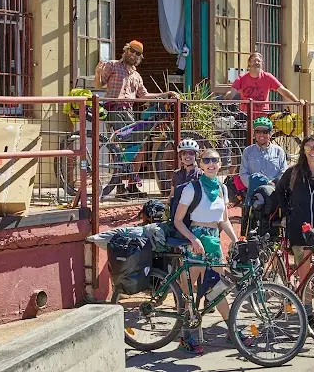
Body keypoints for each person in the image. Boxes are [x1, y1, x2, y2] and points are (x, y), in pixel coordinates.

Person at [172, 149, 241, 354]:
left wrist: (236, 241)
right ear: (200, 164)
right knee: (190, 291)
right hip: (195, 238)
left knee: (218, 290)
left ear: (220, 164)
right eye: (207, 160)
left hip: (213, 240)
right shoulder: (192, 188)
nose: (211, 164)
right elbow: (177, 220)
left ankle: (232, 331)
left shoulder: (221, 188)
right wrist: (193, 239)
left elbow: (224, 220)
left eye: (215, 160)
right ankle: (187, 336)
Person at [94, 40, 178, 198]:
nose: (133, 54)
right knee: (120, 146)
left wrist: (166, 94)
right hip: (113, 109)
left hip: (129, 112)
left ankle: (131, 185)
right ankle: (119, 185)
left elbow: (144, 95)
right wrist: (98, 72)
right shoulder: (112, 65)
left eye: (137, 53)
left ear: (140, 57)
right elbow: (99, 85)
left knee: (140, 147)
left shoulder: (137, 75)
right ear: (126, 50)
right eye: (131, 51)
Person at [275, 135, 314, 311]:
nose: (312, 150)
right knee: (304, 271)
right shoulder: (293, 172)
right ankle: (308, 310)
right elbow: (279, 191)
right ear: (303, 150)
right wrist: (288, 213)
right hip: (300, 228)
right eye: (308, 147)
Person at [239, 117, 288, 231]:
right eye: (258, 131)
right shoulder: (247, 151)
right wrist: (255, 186)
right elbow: (243, 173)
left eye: (265, 131)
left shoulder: (279, 151)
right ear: (254, 133)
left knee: (274, 231)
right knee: (250, 230)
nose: (261, 134)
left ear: (270, 133)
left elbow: (283, 173)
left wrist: (272, 185)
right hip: (254, 197)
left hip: (274, 196)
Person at [225, 52, 303, 116]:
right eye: (254, 60)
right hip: (245, 116)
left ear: (262, 64)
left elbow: (282, 90)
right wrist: (227, 96)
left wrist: (296, 101)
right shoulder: (241, 78)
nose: (256, 63)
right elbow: (232, 93)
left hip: (262, 117)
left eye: (259, 61)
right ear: (249, 63)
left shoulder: (268, 77)